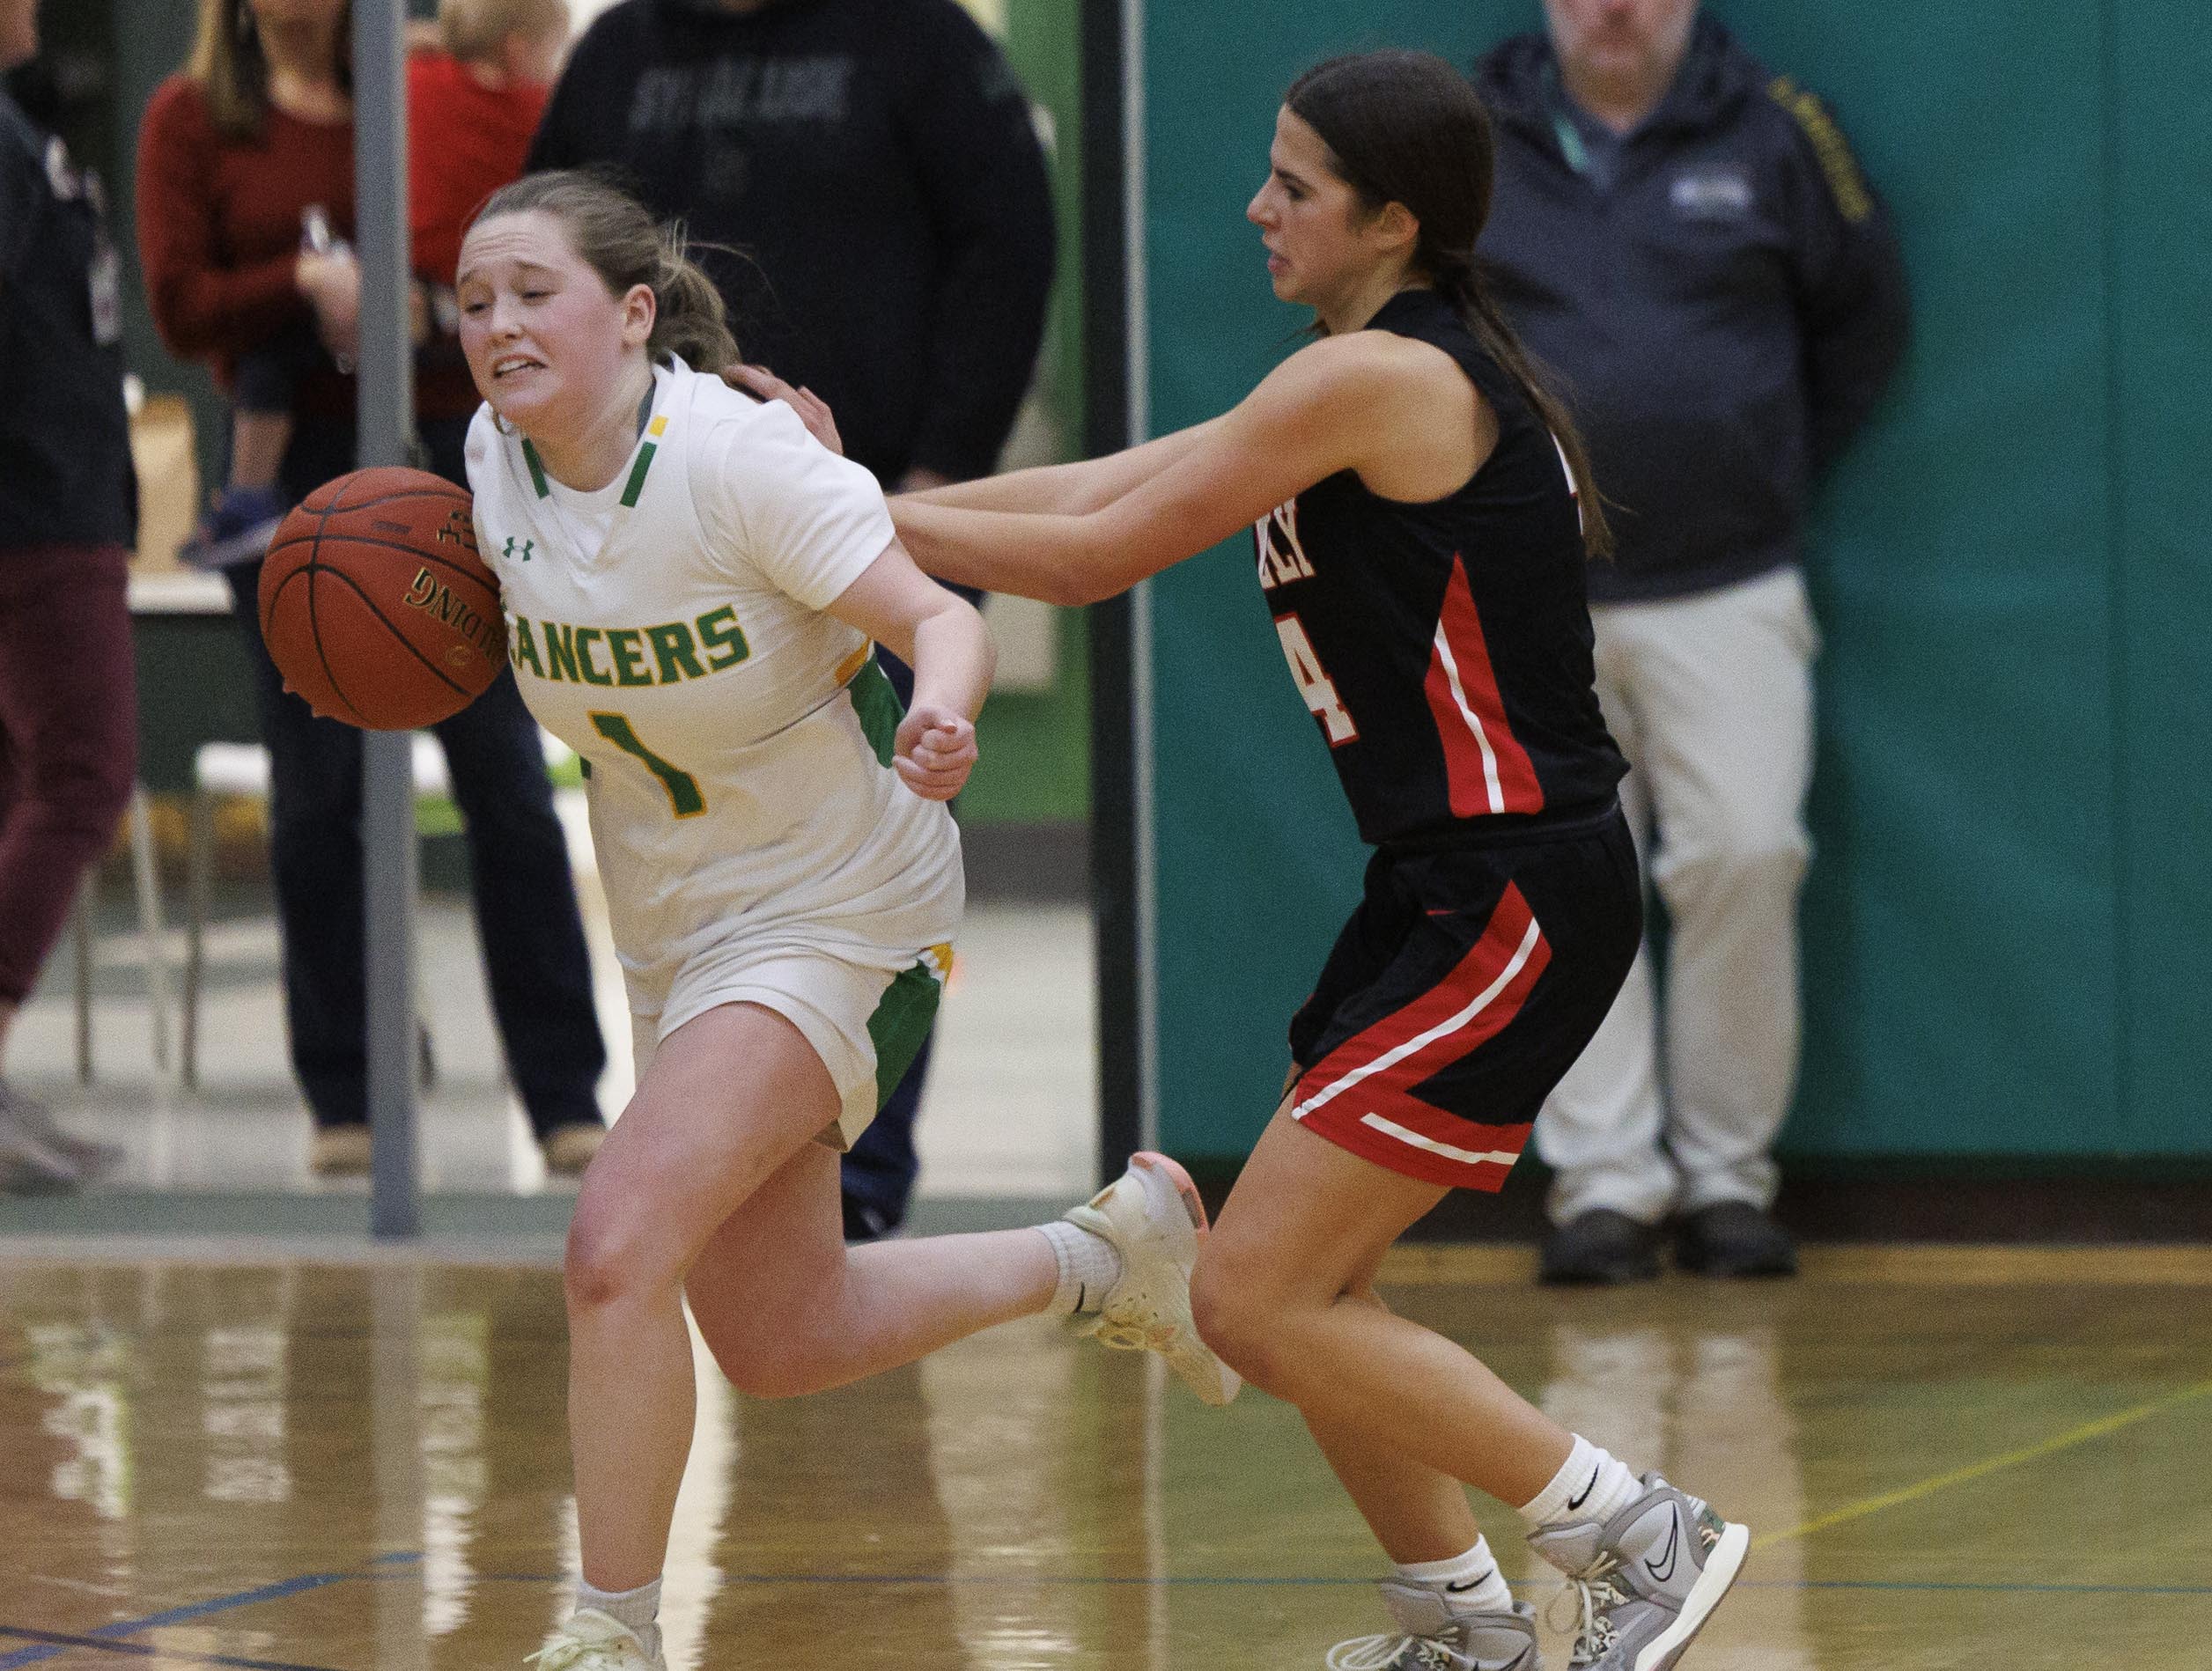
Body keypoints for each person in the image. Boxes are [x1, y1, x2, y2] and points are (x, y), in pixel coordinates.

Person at [866, 50, 1751, 1671]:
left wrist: (840, 526)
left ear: (1392, 221)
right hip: (1439, 885)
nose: (1255, 205)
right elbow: (1106, 480)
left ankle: (1632, 1525)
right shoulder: (1349, 368)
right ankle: (1460, 1623)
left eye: (1293, 184)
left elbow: (1091, 557)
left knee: (1254, 1297)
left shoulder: (1387, 380)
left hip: (1511, 893)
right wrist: (853, 498)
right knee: (1310, 1292)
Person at [450, 169, 1232, 1671]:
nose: (496, 324)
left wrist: (941, 714)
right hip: (675, 920)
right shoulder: (494, 460)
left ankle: (607, 1633)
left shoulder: (737, 459)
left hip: (842, 901)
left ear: (629, 311)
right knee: (780, 1331)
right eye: (474, 300)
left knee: (617, 1243)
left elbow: (943, 616)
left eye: (531, 292)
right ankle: (1108, 1254)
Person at [524, 0, 1058, 1240]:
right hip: (661, 537)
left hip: (853, 510)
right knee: (701, 841)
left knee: (866, 835)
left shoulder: (913, 39)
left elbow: (1010, 244)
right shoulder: (617, 58)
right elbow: (545, 265)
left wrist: (937, 472)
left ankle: (857, 1187)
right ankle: (758, 1186)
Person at [1473, 0, 1909, 1285]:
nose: (1615, 9)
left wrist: (1760, 460)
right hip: (1526, 587)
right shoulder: (1471, 136)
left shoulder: (1780, 132)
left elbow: (1865, 318)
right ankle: (1605, 1186)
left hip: (1729, 582)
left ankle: (1726, 1180)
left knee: (1747, 850)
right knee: (1568, 879)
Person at [136, 0, 609, 1179]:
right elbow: (183, 304)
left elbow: (508, 250)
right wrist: (303, 287)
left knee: (504, 772)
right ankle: (346, 1087)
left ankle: (563, 1092)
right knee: (317, 789)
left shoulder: (419, 94)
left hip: (449, 452)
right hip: (296, 472)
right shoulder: (192, 119)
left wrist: (419, 308)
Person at [179, 0, 571, 571]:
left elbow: (385, 54)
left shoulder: (414, 80)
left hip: (389, 279)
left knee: (274, 356)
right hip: (455, 300)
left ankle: (247, 491)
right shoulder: (533, 110)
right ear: (517, 50)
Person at [0, 0, 133, 1192]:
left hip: (65, 500)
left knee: (15, 785)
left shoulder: (27, 130)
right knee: (86, 772)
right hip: (36, 516)